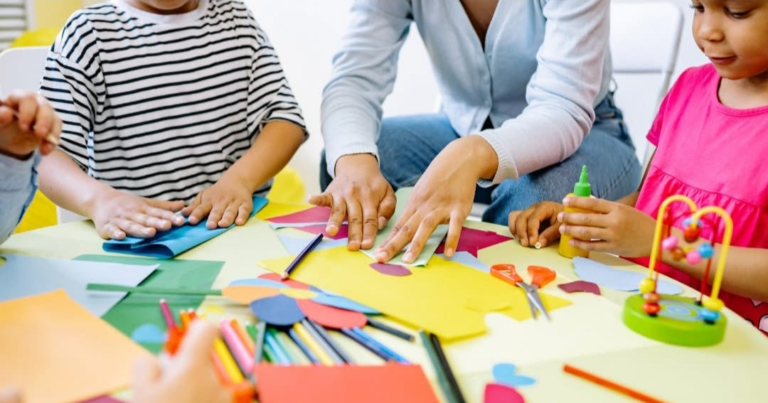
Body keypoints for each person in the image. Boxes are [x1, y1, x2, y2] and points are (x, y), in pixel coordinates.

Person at [312, 0, 642, 264]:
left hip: (588, 135)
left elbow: (563, 107)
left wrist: (472, 154)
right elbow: (353, 78)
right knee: (351, 162)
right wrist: (353, 159)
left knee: (527, 209)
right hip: (463, 129)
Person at [510, 0, 768, 334]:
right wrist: (582, 222)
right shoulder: (688, 89)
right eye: (698, 8)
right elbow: (648, 201)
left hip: (730, 342)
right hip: (637, 317)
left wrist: (662, 242)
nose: (707, 31)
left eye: (736, 12)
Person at [38, 0, 306, 241]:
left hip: (234, 230)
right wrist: (99, 201)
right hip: (136, 241)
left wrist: (240, 180)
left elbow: (285, 119)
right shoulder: (89, 32)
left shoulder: (236, 20)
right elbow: (46, 153)